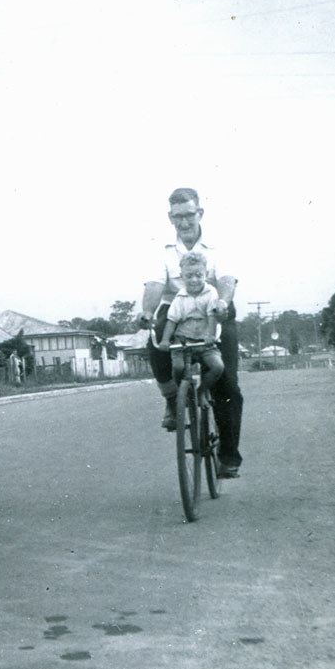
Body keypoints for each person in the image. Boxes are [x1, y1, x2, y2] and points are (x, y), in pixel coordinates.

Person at [139, 187, 243, 478]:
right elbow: (154, 286)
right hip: (179, 313)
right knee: (156, 334)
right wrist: (147, 312)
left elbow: (226, 280)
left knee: (228, 387)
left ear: (200, 213)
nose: (184, 223)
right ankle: (173, 399)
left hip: (215, 314)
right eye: (177, 217)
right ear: (170, 218)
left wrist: (222, 302)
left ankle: (229, 457)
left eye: (189, 215)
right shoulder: (162, 250)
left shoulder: (218, 247)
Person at [158, 251, 225, 395]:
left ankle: (202, 390)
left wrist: (210, 336)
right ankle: (182, 393)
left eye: (199, 275)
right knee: (177, 368)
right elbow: (172, 320)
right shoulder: (180, 297)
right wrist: (164, 340)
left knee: (217, 367)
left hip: (204, 341)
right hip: (183, 341)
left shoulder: (210, 293)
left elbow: (212, 316)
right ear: (182, 276)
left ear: (206, 274)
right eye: (189, 276)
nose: (194, 280)